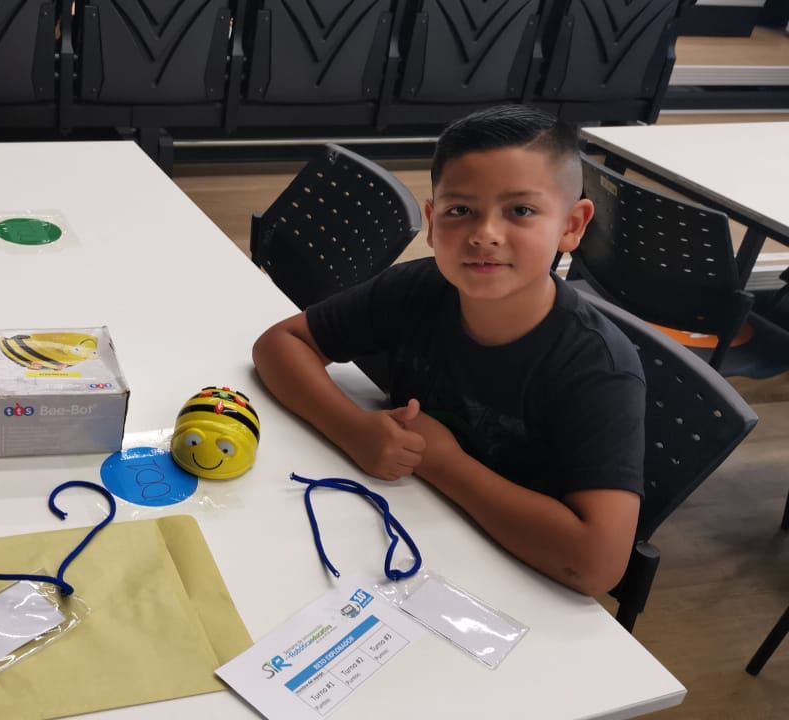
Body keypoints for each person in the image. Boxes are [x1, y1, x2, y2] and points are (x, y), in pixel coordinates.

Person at [253, 105, 645, 596]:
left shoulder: (597, 369)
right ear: (433, 222)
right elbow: (280, 344)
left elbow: (595, 566)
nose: (484, 234)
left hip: (511, 583)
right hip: (399, 533)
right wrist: (353, 429)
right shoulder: (420, 287)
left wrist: (442, 464)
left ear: (572, 225)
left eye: (521, 211)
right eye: (460, 211)